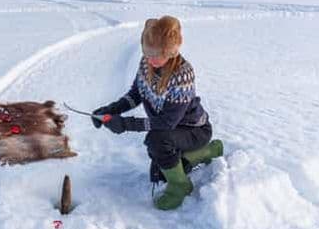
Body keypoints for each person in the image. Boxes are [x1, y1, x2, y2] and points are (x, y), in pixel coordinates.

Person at [92, 16, 223, 210]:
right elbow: (136, 95)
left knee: (157, 141)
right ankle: (210, 151)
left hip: (194, 130)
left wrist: (125, 124)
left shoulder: (182, 75)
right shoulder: (147, 64)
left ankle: (181, 186)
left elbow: (166, 122)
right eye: (147, 53)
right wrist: (111, 109)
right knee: (161, 169)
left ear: (170, 51)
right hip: (172, 131)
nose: (150, 59)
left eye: (156, 55)